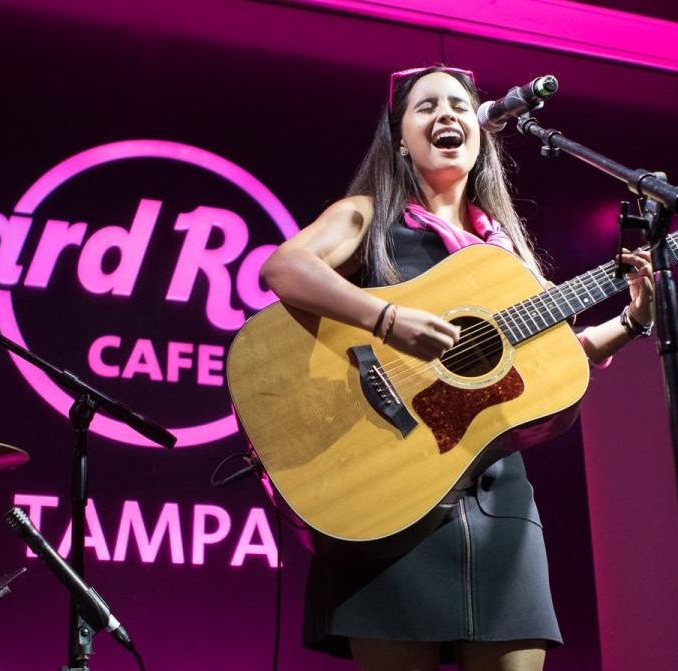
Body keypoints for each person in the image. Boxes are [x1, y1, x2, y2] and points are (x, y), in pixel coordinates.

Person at [260, 66, 654, 671]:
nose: (446, 115)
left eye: (458, 106)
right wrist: (387, 319)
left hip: (497, 499)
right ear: (399, 137)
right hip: (389, 487)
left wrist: (629, 322)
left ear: (481, 131)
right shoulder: (367, 216)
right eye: (426, 107)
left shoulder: (505, 253)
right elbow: (285, 269)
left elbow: (558, 356)